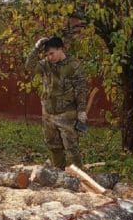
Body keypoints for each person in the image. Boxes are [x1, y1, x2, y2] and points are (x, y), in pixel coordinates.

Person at [24, 34, 87, 169]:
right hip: (48, 113)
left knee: (71, 147)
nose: (50, 57)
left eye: (52, 53)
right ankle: (59, 174)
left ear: (61, 49)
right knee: (53, 146)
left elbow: (81, 89)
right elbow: (29, 66)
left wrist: (82, 110)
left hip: (66, 113)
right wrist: (36, 48)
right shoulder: (46, 64)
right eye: (47, 54)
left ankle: (80, 178)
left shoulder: (73, 66)